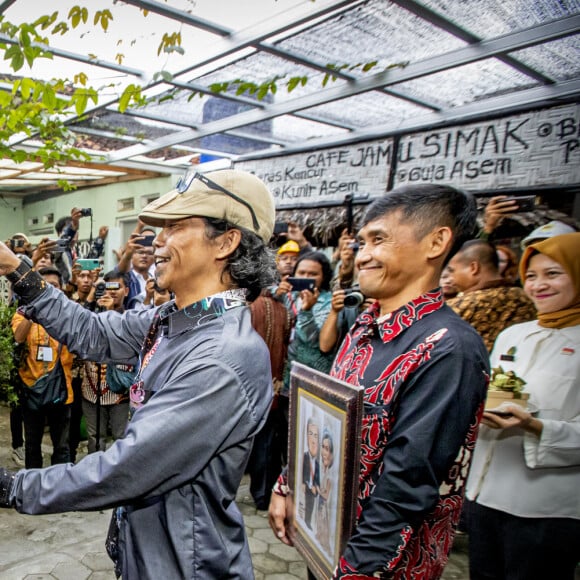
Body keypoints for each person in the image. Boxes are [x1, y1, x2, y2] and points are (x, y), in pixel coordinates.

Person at [0, 168, 277, 579]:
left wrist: (12, 487)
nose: (158, 240)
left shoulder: (221, 358)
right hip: (152, 555)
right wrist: (14, 267)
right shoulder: (174, 320)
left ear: (226, 241)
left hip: (186, 567)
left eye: (176, 227)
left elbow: (126, 468)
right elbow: (90, 330)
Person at [269, 184, 489, 579]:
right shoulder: (364, 325)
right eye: (362, 242)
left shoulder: (448, 348)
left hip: (378, 565)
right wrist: (287, 484)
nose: (362, 254)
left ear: (436, 242)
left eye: (379, 240)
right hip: (326, 541)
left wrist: (357, 570)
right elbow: (323, 417)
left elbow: (408, 484)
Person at [466, 232, 580, 580]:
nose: (539, 285)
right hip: (485, 493)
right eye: (531, 276)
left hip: (544, 507)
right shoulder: (513, 334)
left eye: (553, 274)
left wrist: (534, 426)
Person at [11, 267, 74, 469]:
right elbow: (18, 337)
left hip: (62, 392)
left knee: (61, 447)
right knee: (32, 446)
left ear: (62, 289)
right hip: (32, 391)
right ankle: (33, 491)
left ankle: (58, 491)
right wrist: (33, 311)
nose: (48, 291)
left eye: (53, 286)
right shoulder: (23, 314)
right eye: (43, 286)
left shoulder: (70, 315)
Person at [446, 239, 536, 351]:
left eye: (453, 271)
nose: (451, 278)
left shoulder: (460, 307)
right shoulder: (526, 298)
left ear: (474, 268)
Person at [81, 271, 133, 453]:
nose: (111, 292)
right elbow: (79, 334)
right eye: (107, 287)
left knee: (121, 437)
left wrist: (110, 312)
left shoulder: (131, 319)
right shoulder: (92, 316)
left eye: (116, 287)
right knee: (95, 438)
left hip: (119, 392)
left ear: (126, 290)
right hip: (91, 390)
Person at [282, 251, 335, 390]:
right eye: (302, 272)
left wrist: (307, 311)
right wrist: (277, 290)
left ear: (323, 277)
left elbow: (318, 343)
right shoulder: (288, 296)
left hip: (313, 378)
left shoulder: (330, 303)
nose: (306, 278)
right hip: (286, 377)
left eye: (313, 274)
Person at [316, 427, 334, 555]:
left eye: (327, 449)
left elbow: (326, 494)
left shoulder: (331, 475)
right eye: (323, 447)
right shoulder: (324, 470)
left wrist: (317, 489)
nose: (323, 452)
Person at [301, 416, 320, 530]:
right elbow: (303, 473)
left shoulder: (317, 463)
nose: (313, 440)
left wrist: (316, 486)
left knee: (311, 506)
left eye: (316, 435)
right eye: (310, 434)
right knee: (305, 505)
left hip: (313, 489)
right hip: (307, 487)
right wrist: (306, 483)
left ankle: (308, 523)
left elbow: (316, 476)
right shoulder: (304, 457)